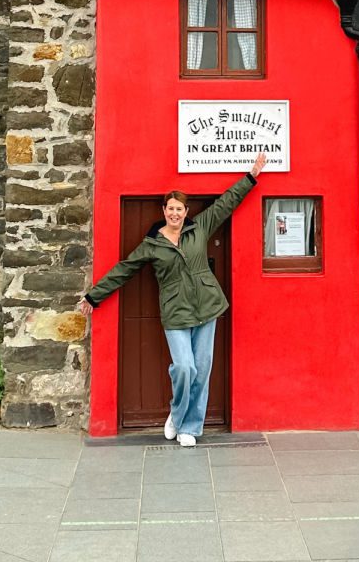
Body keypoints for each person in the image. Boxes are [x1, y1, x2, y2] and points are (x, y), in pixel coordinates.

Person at [78, 152, 268, 447]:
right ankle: (177, 415)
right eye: (170, 209)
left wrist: (251, 177)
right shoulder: (152, 245)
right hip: (176, 311)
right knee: (184, 368)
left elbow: (225, 204)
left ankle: (188, 428)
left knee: (202, 369)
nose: (175, 214)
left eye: (180, 209)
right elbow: (124, 269)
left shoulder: (199, 228)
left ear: (186, 210)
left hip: (207, 306)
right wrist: (94, 296)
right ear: (163, 211)